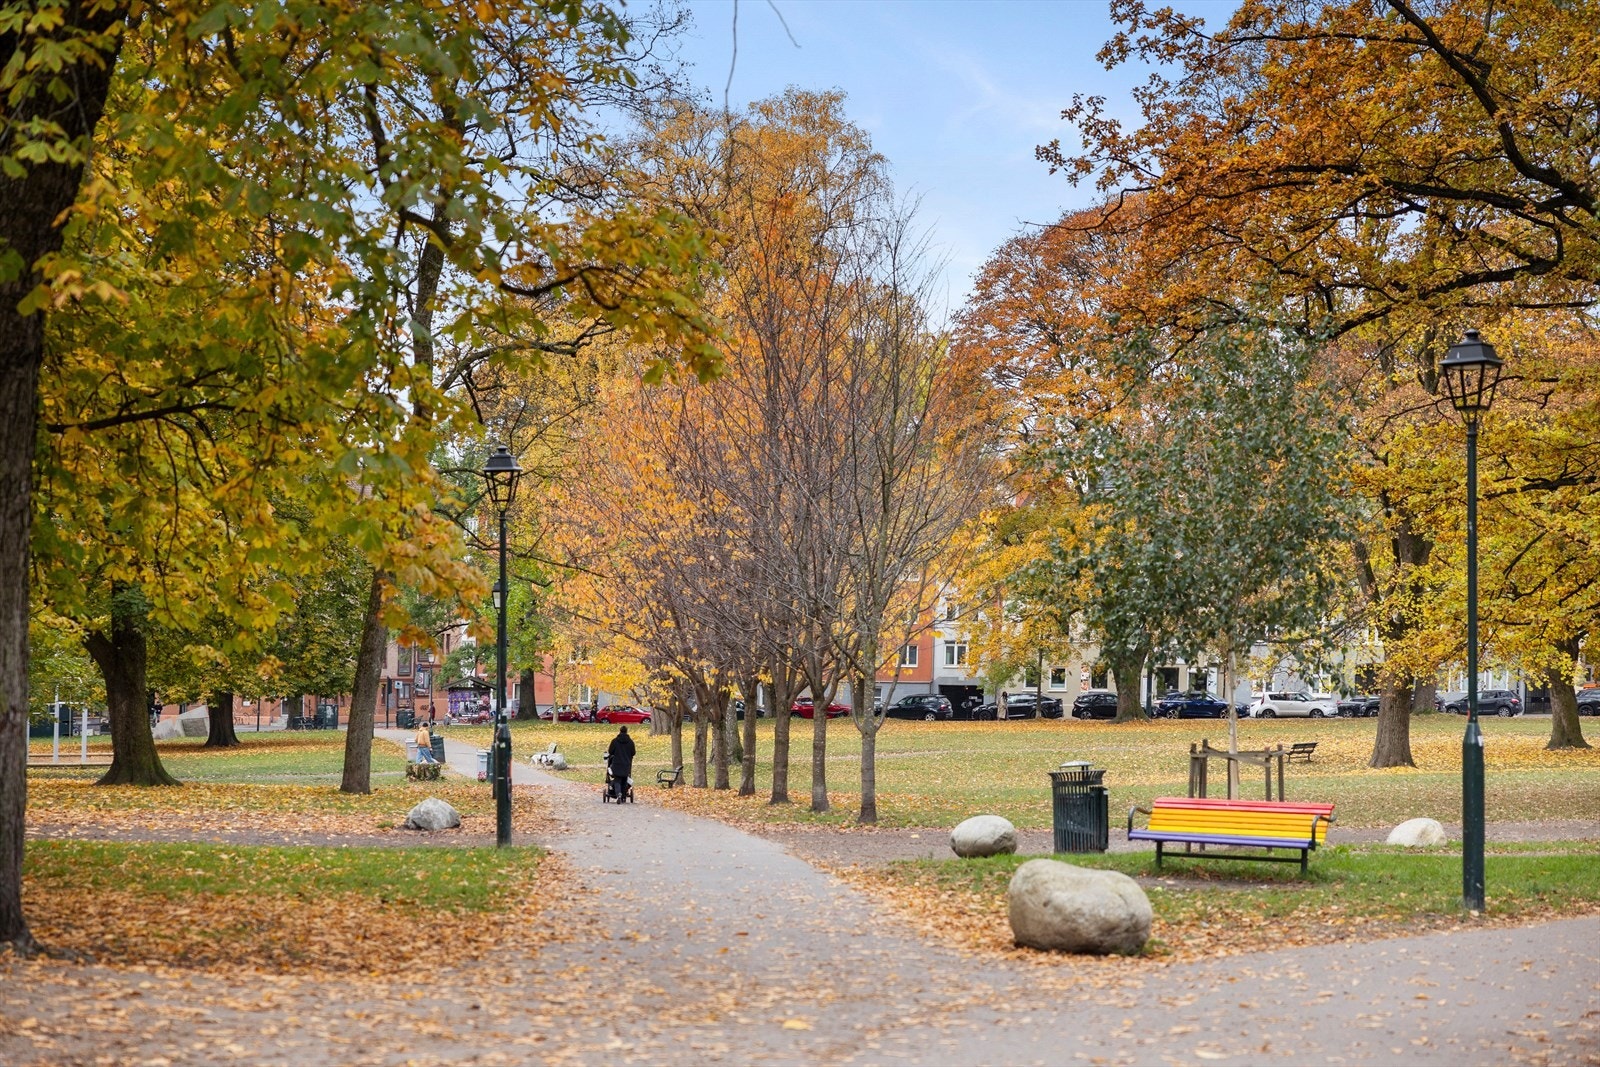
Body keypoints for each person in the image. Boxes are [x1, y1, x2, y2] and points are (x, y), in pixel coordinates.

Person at [606, 725, 636, 800]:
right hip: (626, 764)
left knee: (617, 780)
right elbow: (633, 753)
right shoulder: (630, 742)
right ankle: (623, 795)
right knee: (624, 780)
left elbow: (610, 751)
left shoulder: (615, 741)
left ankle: (618, 794)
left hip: (616, 764)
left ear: (620, 731)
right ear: (626, 731)